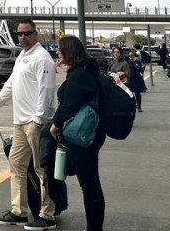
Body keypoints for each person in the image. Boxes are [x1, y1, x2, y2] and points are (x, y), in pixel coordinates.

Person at [0, 20, 57, 230]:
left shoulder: (42, 58)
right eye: (19, 34)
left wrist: (38, 118)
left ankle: (47, 214)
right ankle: (19, 211)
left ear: (36, 35)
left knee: (41, 168)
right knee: (16, 164)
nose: (22, 38)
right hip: (20, 123)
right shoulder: (22, 56)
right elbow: (10, 84)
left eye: (27, 34)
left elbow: (46, 91)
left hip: (36, 123)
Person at [49, 36, 106, 231]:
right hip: (88, 133)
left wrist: (54, 126)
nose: (57, 52)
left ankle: (94, 227)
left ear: (69, 52)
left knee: (89, 185)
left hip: (81, 136)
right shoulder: (84, 71)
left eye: (60, 49)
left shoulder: (79, 75)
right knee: (92, 183)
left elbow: (69, 106)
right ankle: (95, 226)